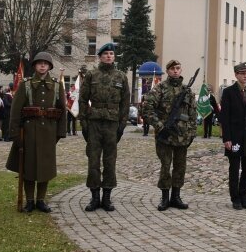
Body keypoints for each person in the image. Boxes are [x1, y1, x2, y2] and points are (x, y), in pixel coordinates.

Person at [5, 52, 67, 213]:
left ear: (49, 67)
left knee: (45, 168)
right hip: (29, 131)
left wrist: (60, 133)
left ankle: (41, 200)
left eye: (45, 64)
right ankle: (30, 201)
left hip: (49, 132)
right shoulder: (25, 85)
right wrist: (15, 134)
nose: (42, 66)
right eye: (39, 63)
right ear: (34, 66)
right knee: (28, 167)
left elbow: (62, 110)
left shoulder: (56, 85)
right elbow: (15, 111)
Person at [78, 42, 130, 212]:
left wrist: (122, 125)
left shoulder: (121, 76)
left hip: (112, 124)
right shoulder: (91, 75)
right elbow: (83, 100)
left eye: (111, 54)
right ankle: (94, 197)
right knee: (93, 161)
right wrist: (84, 123)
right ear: (100, 56)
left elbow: (125, 103)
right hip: (94, 123)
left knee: (109, 161)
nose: (109, 56)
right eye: (106, 53)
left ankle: (107, 197)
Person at [142, 60, 197, 211]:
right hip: (164, 137)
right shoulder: (160, 89)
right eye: (172, 69)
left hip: (181, 136)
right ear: (167, 71)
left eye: (178, 68)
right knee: (165, 166)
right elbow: (147, 110)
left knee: (180, 167)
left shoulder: (187, 91)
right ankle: (165, 197)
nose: (175, 71)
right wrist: (159, 126)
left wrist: (191, 133)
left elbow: (193, 114)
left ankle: (176, 197)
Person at [219, 62, 246, 210]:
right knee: (234, 169)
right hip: (235, 138)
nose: (245, 76)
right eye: (242, 73)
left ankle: (244, 196)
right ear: (236, 75)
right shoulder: (228, 92)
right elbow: (224, 117)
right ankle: (235, 198)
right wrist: (227, 138)